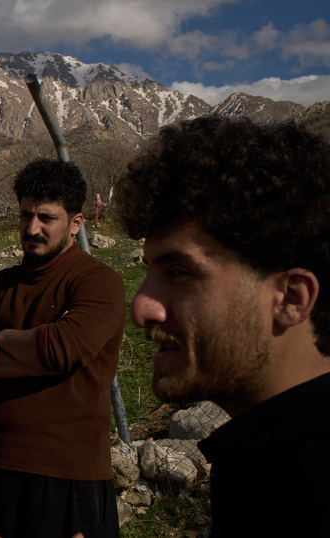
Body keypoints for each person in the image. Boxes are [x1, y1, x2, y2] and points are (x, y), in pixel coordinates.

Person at [114, 116, 330, 537]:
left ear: (291, 298)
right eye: (149, 271)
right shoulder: (260, 458)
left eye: (179, 272)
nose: (141, 309)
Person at [0, 159, 126, 538]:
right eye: (25, 215)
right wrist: (43, 354)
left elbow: (63, 349)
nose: (32, 229)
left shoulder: (98, 282)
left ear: (75, 224)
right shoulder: (1, 284)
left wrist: (3, 337)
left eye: (46, 218)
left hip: (69, 477)